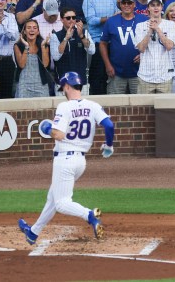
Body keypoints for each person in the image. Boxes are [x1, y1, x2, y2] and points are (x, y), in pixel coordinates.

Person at [18, 71, 114, 245]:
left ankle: (90, 215)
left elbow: (59, 135)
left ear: (68, 86)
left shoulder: (65, 106)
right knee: (53, 198)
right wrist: (109, 145)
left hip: (65, 160)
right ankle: (33, 232)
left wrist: (46, 128)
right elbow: (109, 125)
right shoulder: (92, 105)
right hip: (80, 162)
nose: (63, 89)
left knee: (62, 203)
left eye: (63, 87)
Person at [134, 0, 175, 93]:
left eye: (158, 5)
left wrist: (157, 29)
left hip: (165, 76)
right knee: (144, 108)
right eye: (152, 5)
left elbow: (169, 46)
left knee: (165, 108)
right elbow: (141, 48)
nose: (155, 7)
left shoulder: (170, 24)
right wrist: (150, 30)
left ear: (162, 7)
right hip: (145, 76)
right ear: (148, 8)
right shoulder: (140, 26)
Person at [50, 7, 95, 92]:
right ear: (62, 19)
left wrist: (81, 36)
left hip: (81, 82)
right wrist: (65, 39)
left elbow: (92, 50)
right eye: (68, 18)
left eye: (74, 18)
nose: (71, 20)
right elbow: (56, 56)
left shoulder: (84, 33)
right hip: (63, 83)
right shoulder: (55, 36)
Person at [14, 18, 51, 97]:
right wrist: (26, 47)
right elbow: (22, 65)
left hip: (41, 84)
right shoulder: (18, 46)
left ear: (38, 32)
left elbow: (45, 64)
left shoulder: (44, 45)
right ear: (24, 31)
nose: (32, 30)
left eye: (34, 28)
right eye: (29, 28)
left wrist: (42, 47)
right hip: (23, 84)